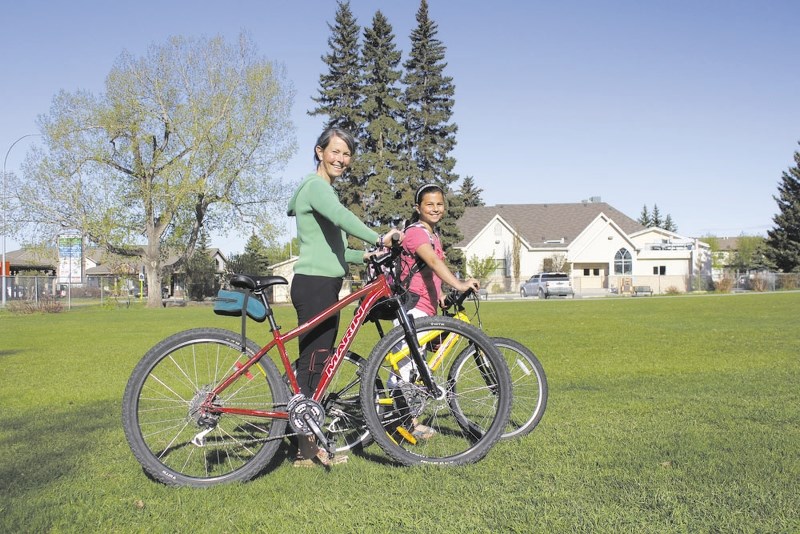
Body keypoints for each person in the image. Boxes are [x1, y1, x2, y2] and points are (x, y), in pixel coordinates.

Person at [287, 126, 401, 467]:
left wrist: (363, 255)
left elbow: (333, 248)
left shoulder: (321, 190)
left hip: (323, 282)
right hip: (315, 285)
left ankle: (306, 442)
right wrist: (379, 237)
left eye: (347, 154)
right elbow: (342, 217)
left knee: (317, 360)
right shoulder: (316, 187)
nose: (341, 159)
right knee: (313, 363)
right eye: (335, 151)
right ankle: (305, 450)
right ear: (320, 151)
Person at [390, 182, 480, 439]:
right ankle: (394, 423)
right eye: (429, 204)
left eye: (439, 204)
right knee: (405, 369)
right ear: (418, 207)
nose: (435, 208)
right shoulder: (417, 233)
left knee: (413, 369)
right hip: (411, 308)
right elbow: (432, 261)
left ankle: (407, 422)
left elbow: (425, 272)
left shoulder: (432, 235)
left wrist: (440, 294)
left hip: (424, 308)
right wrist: (459, 283)